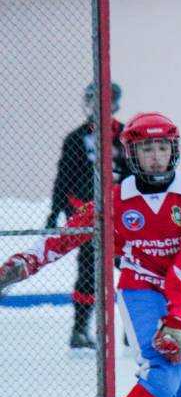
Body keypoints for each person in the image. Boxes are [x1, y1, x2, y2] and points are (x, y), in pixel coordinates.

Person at [0, 112, 181, 397]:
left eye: (162, 147)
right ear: (132, 154)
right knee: (161, 375)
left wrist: (177, 317)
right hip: (142, 291)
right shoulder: (114, 200)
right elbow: (68, 236)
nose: (155, 156)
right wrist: (22, 264)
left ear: (174, 151)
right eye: (146, 148)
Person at [45, 81, 128, 349]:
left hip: (121, 214)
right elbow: (63, 177)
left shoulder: (126, 136)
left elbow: (135, 174)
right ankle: (80, 330)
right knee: (88, 271)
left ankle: (135, 327)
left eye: (102, 99)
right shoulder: (75, 138)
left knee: (131, 270)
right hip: (85, 214)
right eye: (92, 99)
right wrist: (54, 211)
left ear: (114, 102)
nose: (97, 105)